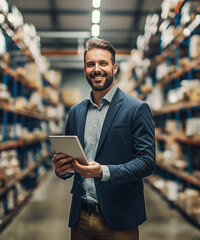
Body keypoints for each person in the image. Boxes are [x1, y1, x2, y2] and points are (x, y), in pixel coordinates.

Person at [52, 38, 156, 240]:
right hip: (80, 217)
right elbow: (71, 159)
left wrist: (104, 172)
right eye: (91, 64)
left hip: (119, 218)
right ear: (84, 69)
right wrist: (62, 168)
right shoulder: (75, 112)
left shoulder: (136, 109)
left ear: (114, 68)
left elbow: (147, 162)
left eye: (103, 63)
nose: (96, 69)